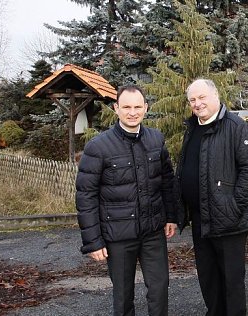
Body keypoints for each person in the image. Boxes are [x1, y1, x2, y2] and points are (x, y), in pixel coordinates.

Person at [75, 85, 178, 316]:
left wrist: (171, 216)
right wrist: (93, 241)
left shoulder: (155, 140)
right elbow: (86, 195)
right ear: (116, 109)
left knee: (160, 289)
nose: (133, 112)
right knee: (123, 295)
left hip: (152, 232)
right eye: (127, 107)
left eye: (138, 107)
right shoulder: (98, 147)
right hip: (118, 235)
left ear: (146, 108)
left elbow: (167, 182)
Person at [174, 78, 248, 316]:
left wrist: (233, 206)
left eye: (202, 97)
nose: (197, 104)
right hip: (201, 218)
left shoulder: (236, 127)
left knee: (232, 282)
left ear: (216, 96)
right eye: (192, 100)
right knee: (208, 278)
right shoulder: (193, 128)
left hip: (229, 221)